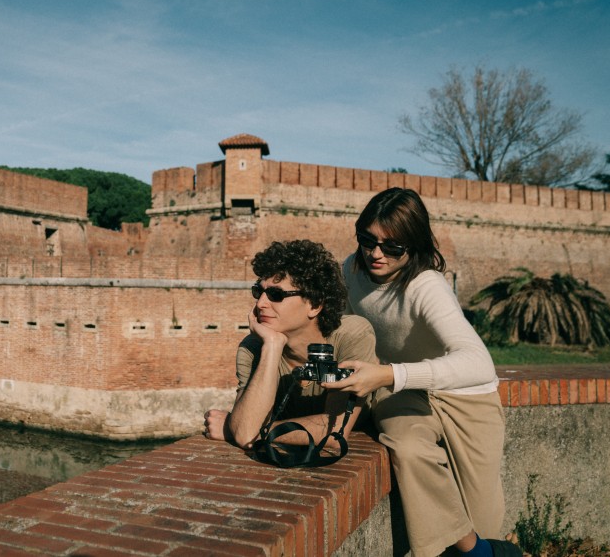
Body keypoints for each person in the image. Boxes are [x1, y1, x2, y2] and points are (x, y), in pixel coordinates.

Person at [323, 187, 519, 557]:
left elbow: (478, 363)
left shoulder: (426, 285)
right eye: (368, 240)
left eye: (392, 246)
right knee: (409, 448)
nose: (376, 253)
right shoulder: (352, 268)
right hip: (404, 394)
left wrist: (387, 375)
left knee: (485, 524)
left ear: (413, 245)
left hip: (466, 399)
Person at [203, 239, 377, 454]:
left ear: (314, 304)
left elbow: (333, 431)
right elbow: (245, 431)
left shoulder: (352, 335)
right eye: (259, 292)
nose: (260, 304)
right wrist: (273, 346)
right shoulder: (254, 348)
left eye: (276, 295)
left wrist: (254, 430)